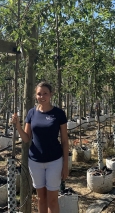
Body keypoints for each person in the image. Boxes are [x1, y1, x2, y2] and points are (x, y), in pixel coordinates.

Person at [12, 81, 69, 213]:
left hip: (54, 161)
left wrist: (65, 164)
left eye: (45, 93)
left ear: (51, 95)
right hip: (35, 162)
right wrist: (18, 126)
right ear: (35, 96)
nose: (42, 96)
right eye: (39, 94)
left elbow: (65, 141)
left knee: (53, 200)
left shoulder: (58, 114)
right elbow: (26, 138)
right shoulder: (32, 113)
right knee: (40, 198)